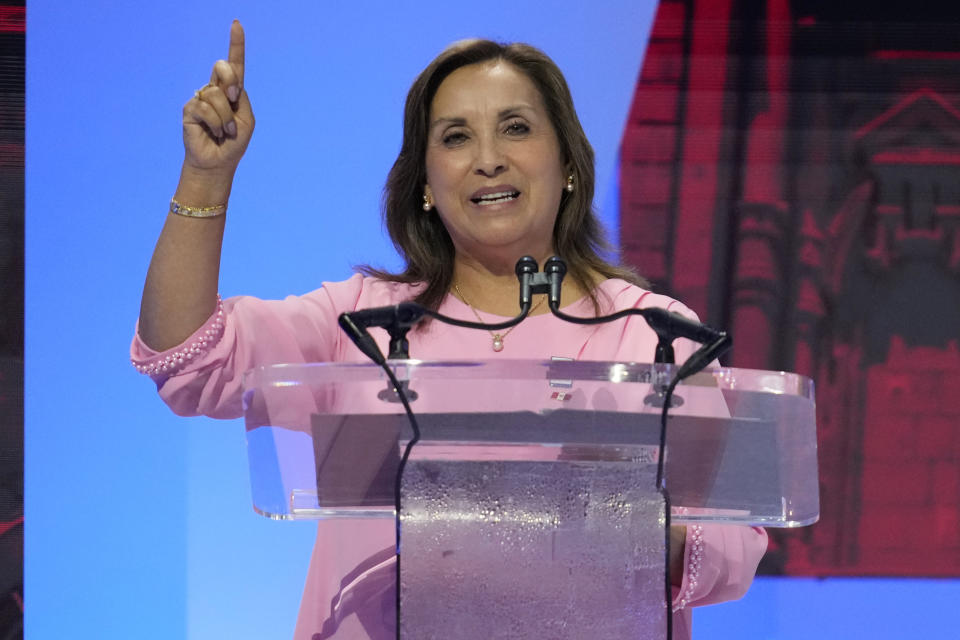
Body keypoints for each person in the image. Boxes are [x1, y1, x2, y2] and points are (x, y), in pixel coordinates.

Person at [132, 21, 766, 639]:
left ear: (569, 162)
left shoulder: (654, 335)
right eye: (456, 138)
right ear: (427, 184)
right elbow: (187, 357)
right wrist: (205, 176)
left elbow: (735, 541)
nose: (488, 160)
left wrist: (632, 528)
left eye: (515, 129)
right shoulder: (363, 324)